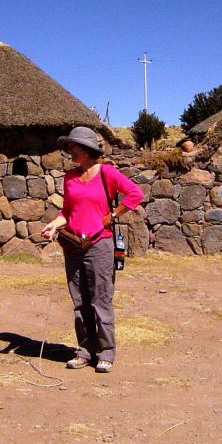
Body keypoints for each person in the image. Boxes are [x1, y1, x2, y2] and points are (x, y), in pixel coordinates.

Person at [41, 126, 143, 373]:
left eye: (73, 148)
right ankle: (86, 350)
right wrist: (54, 225)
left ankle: (106, 352)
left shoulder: (107, 173)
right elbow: (67, 211)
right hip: (73, 244)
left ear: (86, 150)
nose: (70, 152)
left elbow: (135, 194)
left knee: (101, 299)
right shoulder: (70, 177)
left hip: (99, 244)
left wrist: (113, 214)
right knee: (80, 301)